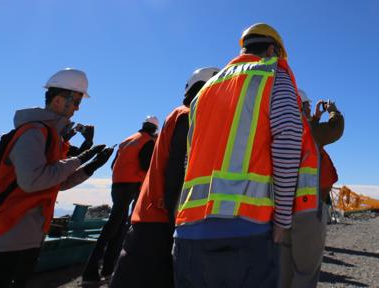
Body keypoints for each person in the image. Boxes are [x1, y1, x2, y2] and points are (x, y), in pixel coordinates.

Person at [173, 23, 319, 288]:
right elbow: (287, 143)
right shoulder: (273, 75)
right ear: (273, 50)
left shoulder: (204, 92)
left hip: (188, 234)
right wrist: (282, 219)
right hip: (246, 232)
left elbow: (189, 159)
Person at [0, 68, 114, 288]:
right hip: (4, 237)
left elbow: (56, 182)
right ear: (58, 100)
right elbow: (33, 181)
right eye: (76, 101)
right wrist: (80, 159)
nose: (77, 108)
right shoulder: (34, 132)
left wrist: (91, 166)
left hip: (26, 237)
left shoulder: (52, 136)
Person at [109, 67, 220, 288]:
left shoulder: (179, 115)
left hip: (149, 217)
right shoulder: (188, 116)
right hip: (160, 222)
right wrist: (176, 225)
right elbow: (175, 174)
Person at [81, 115, 160, 284]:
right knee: (112, 228)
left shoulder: (128, 140)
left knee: (117, 228)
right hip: (131, 185)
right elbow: (146, 166)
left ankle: (108, 270)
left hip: (117, 185)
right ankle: (90, 273)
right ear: (154, 129)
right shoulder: (148, 141)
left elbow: (113, 165)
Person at [279, 89, 344, 288]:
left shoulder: (280, 129)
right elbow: (335, 129)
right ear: (299, 106)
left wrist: (315, 117)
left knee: (284, 271)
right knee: (305, 273)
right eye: (307, 106)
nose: (309, 109)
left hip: (281, 210)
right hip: (307, 211)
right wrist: (333, 111)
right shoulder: (307, 131)